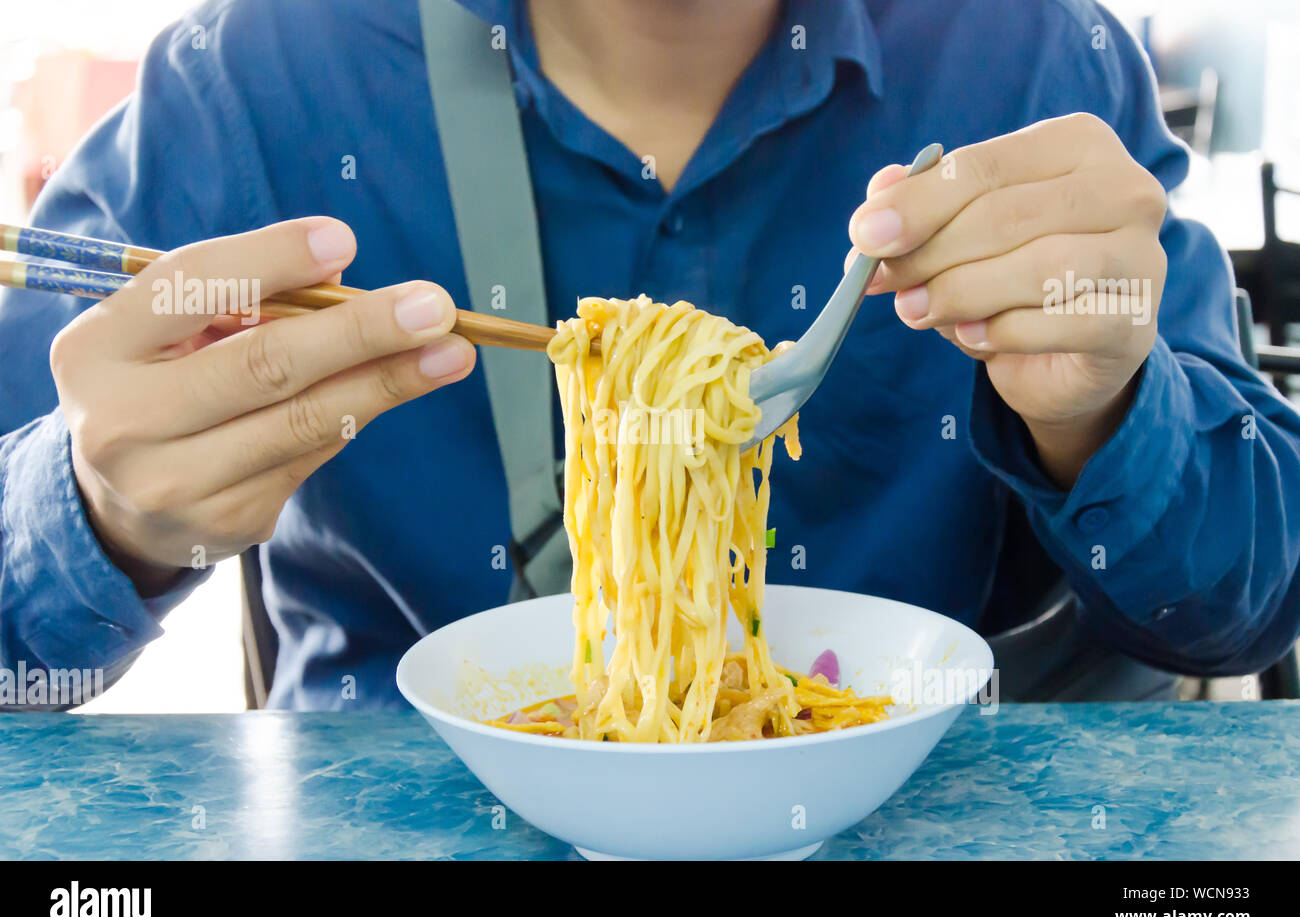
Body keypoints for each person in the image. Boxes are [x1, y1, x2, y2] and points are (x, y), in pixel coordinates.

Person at [1, 0, 1297, 709]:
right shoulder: (253, 79)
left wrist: (1109, 413)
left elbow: (1250, 605)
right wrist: (105, 510)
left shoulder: (1032, 60)